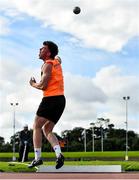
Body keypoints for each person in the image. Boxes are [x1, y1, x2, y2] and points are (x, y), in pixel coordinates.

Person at [28, 41, 66, 169]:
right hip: (61, 100)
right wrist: (56, 57)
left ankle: (38, 158)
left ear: (48, 53)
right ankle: (59, 155)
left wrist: (33, 84)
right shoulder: (56, 62)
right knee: (47, 129)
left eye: (43, 48)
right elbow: (58, 58)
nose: (39, 49)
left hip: (51, 99)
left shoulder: (47, 65)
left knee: (36, 126)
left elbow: (43, 85)